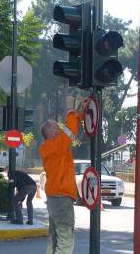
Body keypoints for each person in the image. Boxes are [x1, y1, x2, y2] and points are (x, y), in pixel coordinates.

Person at [39, 98, 89, 254]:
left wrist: (79, 113)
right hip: (61, 197)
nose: (58, 127)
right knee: (65, 238)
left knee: (54, 238)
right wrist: (71, 112)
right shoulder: (52, 145)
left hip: (56, 196)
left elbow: (70, 131)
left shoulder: (55, 146)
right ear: (48, 133)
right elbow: (69, 133)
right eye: (53, 126)